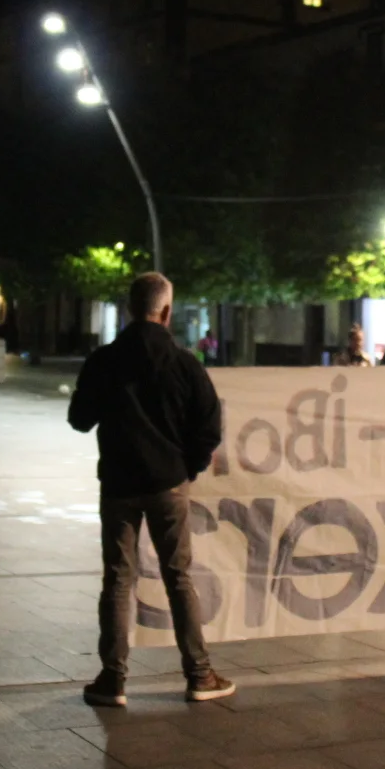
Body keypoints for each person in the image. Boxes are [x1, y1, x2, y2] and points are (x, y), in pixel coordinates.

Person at [68, 272, 232, 707]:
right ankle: (199, 674)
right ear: (167, 311)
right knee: (178, 576)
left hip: (118, 483)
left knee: (118, 578)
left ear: (129, 308)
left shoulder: (104, 361)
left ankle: (112, 678)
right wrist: (186, 468)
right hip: (168, 484)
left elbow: (79, 419)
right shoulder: (184, 364)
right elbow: (210, 426)